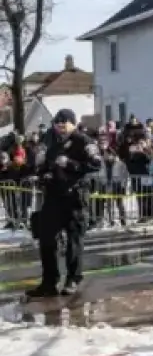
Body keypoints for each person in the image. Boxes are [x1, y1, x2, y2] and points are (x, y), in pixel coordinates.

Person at [27, 109, 102, 298]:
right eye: (57, 123)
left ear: (73, 123)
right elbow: (45, 165)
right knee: (46, 239)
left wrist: (71, 164)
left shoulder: (83, 141)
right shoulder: (51, 141)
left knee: (74, 240)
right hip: (53, 196)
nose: (60, 126)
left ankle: (73, 278)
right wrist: (42, 174)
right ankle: (49, 282)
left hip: (75, 196)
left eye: (64, 123)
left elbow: (96, 165)